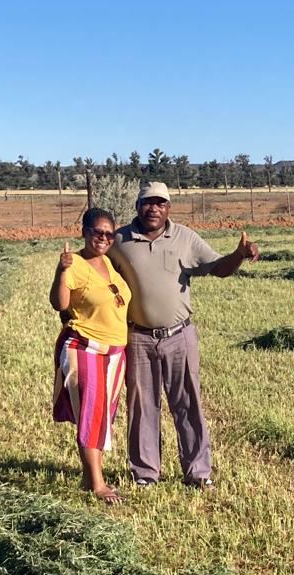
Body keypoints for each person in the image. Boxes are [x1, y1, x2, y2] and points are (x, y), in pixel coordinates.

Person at [108, 181, 258, 490]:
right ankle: (146, 474)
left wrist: (239, 255)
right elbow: (96, 268)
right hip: (137, 337)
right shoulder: (119, 240)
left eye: (160, 203)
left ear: (168, 208)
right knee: (141, 406)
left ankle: (198, 473)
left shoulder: (185, 237)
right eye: (148, 202)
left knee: (188, 403)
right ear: (137, 206)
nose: (154, 208)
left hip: (179, 336)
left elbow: (217, 267)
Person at [50, 207, 132, 504]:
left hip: (113, 353)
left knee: (100, 416)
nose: (103, 238)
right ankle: (97, 484)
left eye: (109, 234)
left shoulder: (108, 264)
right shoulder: (75, 264)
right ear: (84, 231)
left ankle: (88, 476)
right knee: (92, 413)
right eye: (97, 232)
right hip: (85, 348)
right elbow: (59, 303)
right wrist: (61, 270)